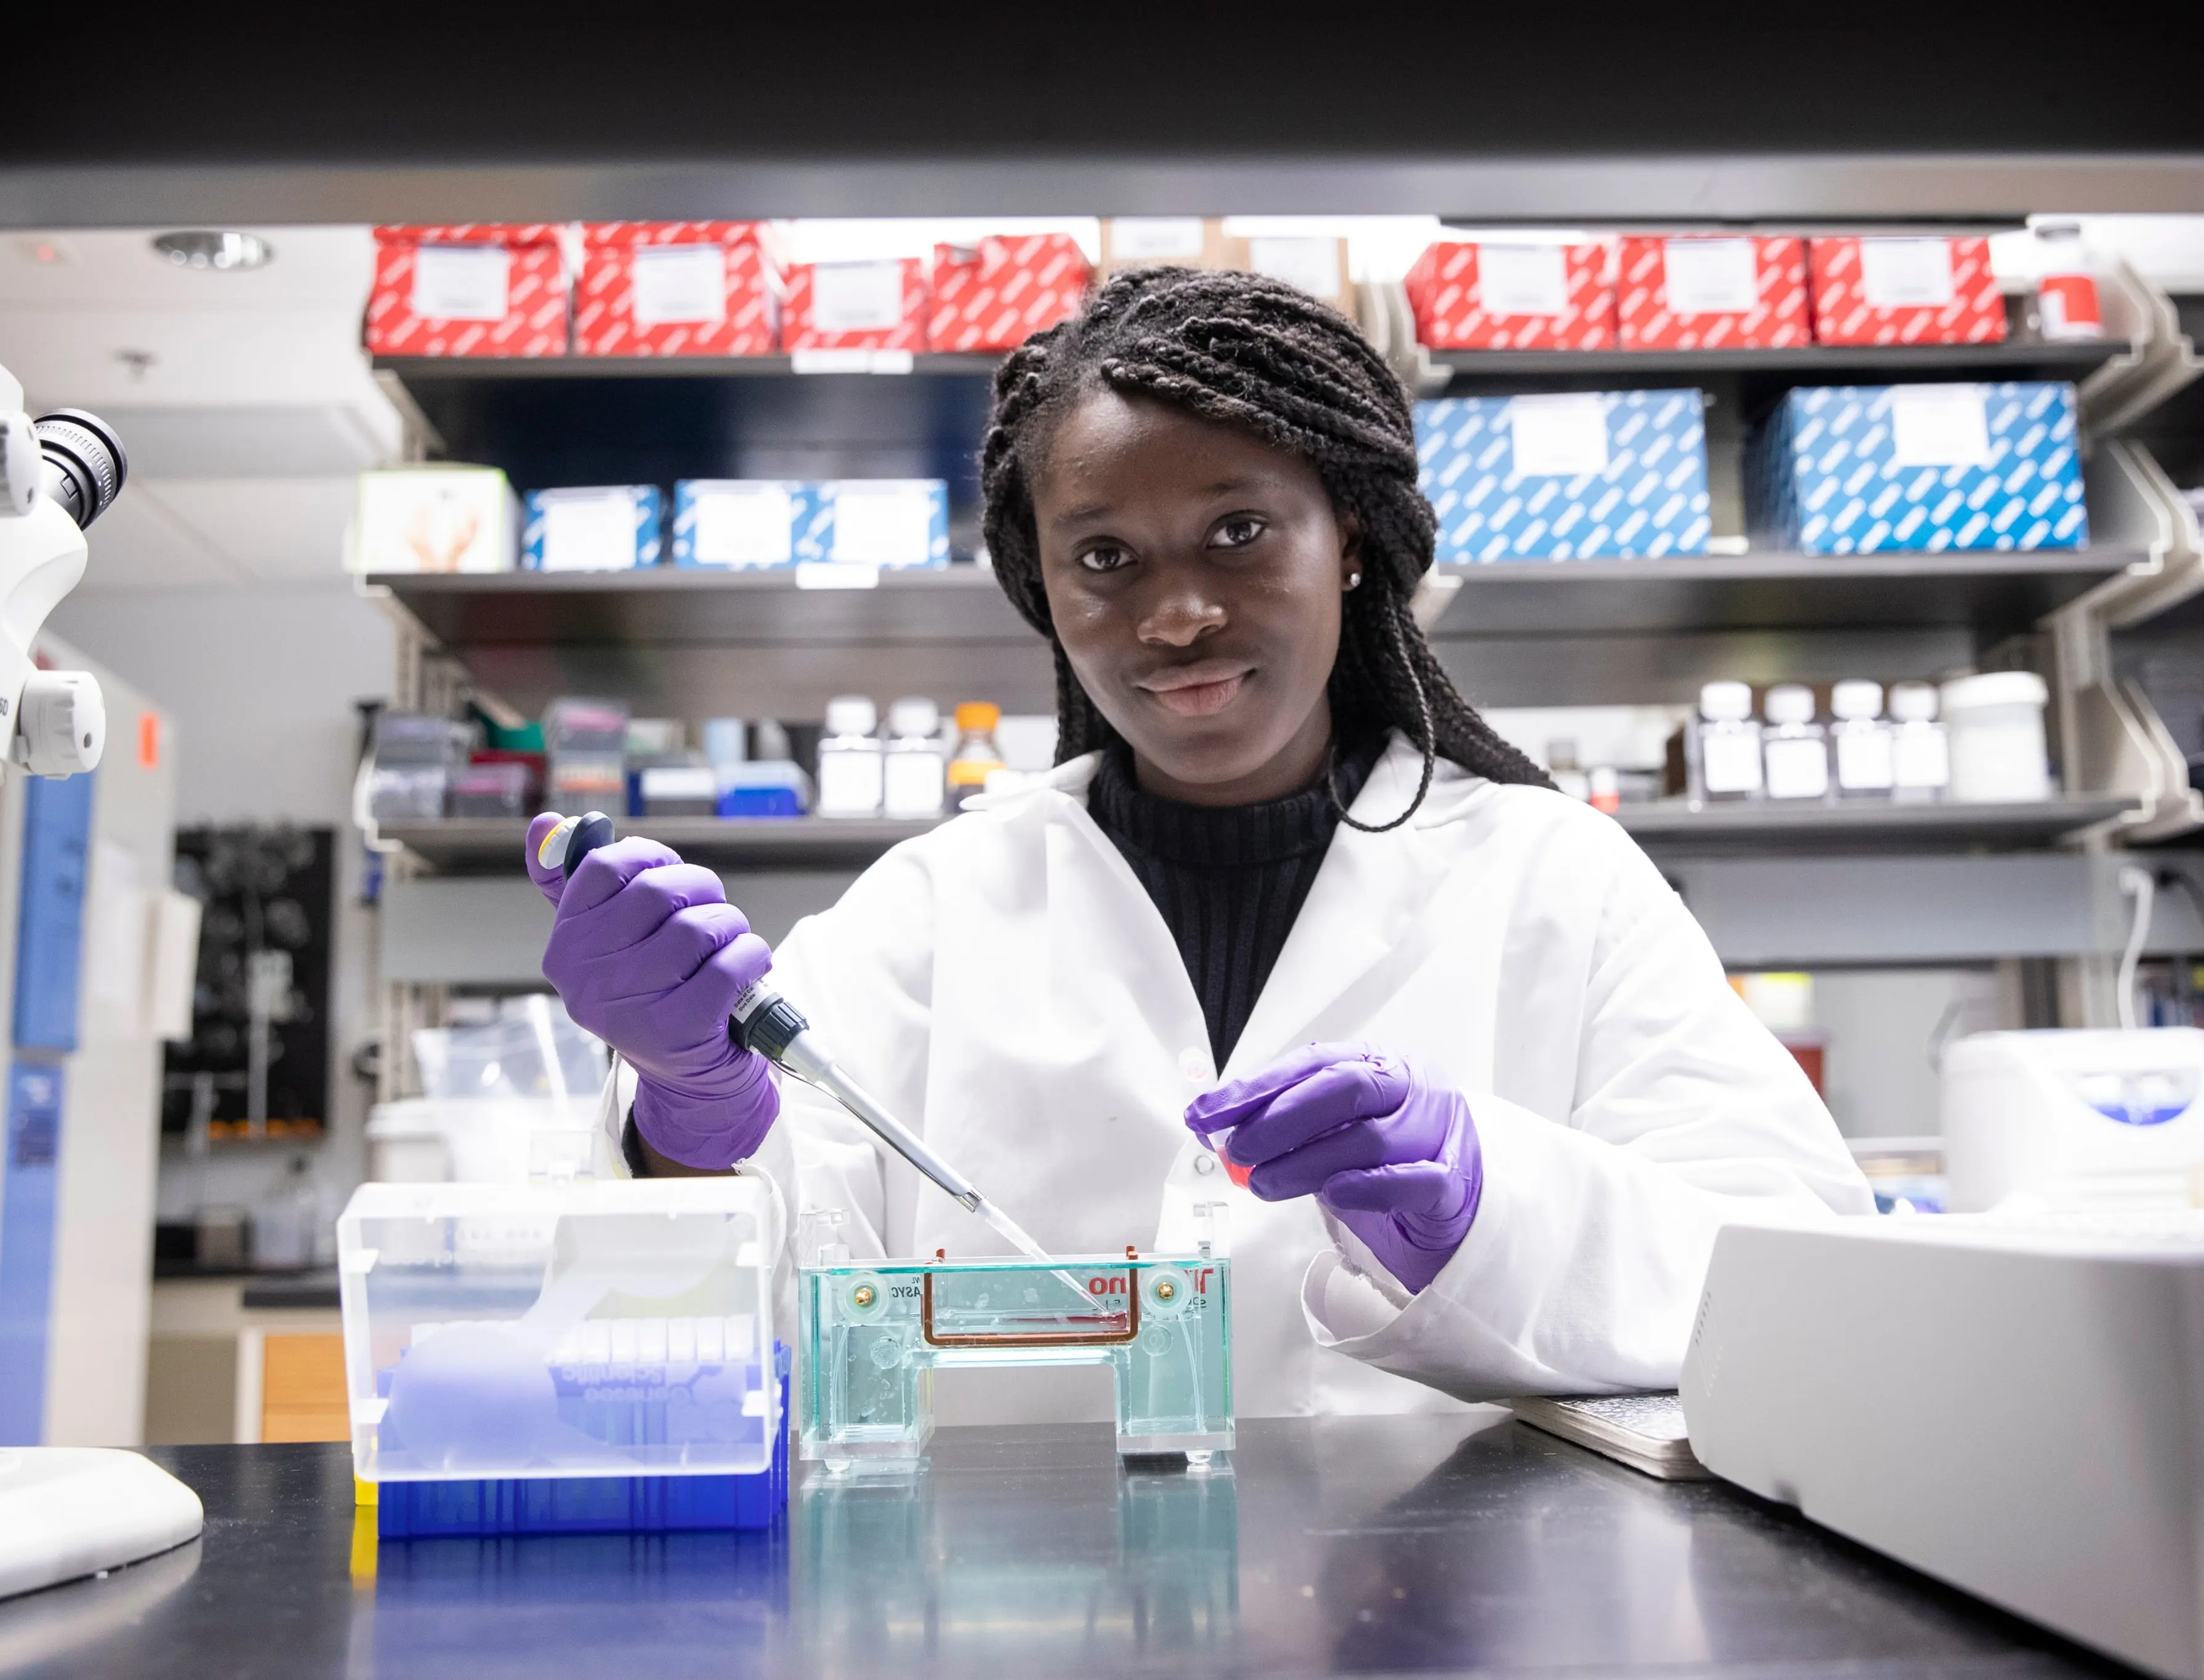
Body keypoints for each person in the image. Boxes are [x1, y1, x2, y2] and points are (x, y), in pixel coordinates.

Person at [527, 266, 1871, 1415]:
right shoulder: (929, 913)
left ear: (1344, 538)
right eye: (1103, 558)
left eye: (1238, 532)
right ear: (1042, 589)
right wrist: (686, 1120)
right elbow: (713, 1334)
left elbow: (1789, 1276)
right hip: (1024, 1617)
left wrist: (1487, 1207)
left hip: (1458, 1623)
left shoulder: (1551, 881)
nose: (1174, 618)